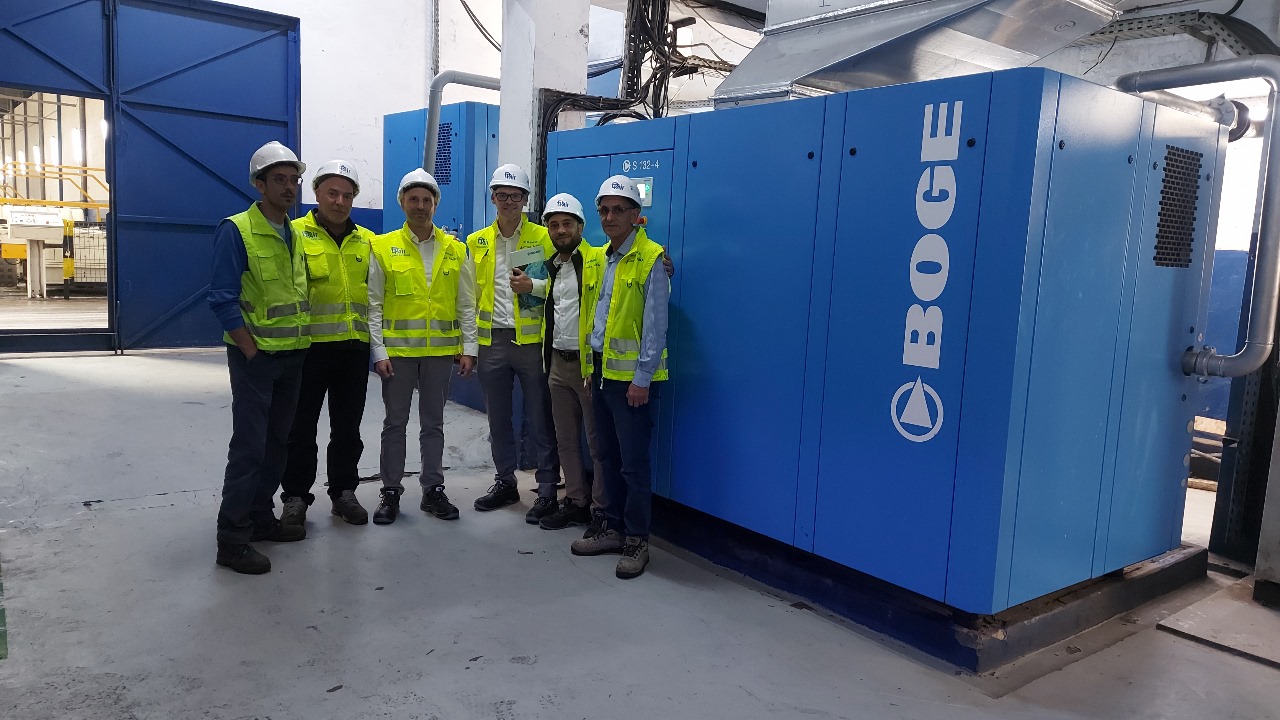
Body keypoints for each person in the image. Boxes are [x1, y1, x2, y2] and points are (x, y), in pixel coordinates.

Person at [207, 141, 311, 575]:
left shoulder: (294, 232)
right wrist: (250, 351)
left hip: (293, 357)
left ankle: (260, 518)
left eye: (293, 180)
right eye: (279, 180)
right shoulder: (237, 230)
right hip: (257, 358)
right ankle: (231, 539)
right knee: (249, 446)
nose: (288, 188)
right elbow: (222, 298)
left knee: (276, 443)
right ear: (259, 184)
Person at [570, 175, 670, 580]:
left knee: (633, 465)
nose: (609, 217)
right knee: (606, 458)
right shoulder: (603, 257)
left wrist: (642, 379)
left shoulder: (650, 258)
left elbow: (656, 326)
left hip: (632, 384)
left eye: (618, 210)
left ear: (635, 215)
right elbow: (596, 318)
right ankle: (610, 529)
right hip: (601, 375)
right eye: (604, 210)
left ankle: (636, 540)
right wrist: (589, 369)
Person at [368, 168, 476, 525]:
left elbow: (466, 304)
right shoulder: (383, 247)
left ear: (435, 205)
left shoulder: (455, 250)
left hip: (439, 355)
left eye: (426, 200)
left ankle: (433, 490)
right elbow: (374, 305)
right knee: (394, 424)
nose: (420, 206)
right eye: (413, 199)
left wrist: (469, 348)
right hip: (398, 355)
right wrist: (379, 351)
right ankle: (390, 491)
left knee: (434, 424)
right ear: (402, 203)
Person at [278, 160, 375, 527]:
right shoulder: (294, 234)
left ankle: (344, 492)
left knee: (347, 428)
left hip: (353, 348)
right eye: (332, 193)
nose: (340, 201)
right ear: (316, 193)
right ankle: (295, 497)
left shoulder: (367, 241)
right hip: (308, 349)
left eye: (347, 195)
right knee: (300, 428)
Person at [466, 164, 561, 523]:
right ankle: (505, 481)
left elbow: (572, 279)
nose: (508, 201)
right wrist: (468, 346)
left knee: (540, 419)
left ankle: (547, 489)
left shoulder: (544, 237)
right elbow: (467, 297)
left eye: (515, 196)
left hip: (532, 344)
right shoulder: (476, 242)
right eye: (502, 195)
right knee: (498, 420)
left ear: (525, 200)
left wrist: (534, 286)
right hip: (492, 342)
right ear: (492, 198)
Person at [536, 193, 606, 532]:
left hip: (587, 368)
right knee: (565, 439)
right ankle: (576, 501)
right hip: (557, 364)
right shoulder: (551, 265)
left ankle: (602, 510)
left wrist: (663, 263)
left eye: (567, 224)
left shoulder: (599, 258)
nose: (560, 230)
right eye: (554, 225)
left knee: (597, 443)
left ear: (580, 226)